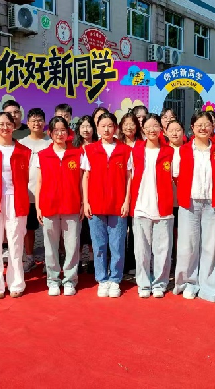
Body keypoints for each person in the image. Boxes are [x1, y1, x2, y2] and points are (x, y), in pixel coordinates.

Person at [173, 112, 215, 302]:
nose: (203, 128)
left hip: (213, 202)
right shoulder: (183, 150)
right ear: (192, 127)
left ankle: (209, 286)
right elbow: (176, 176)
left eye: (207, 124)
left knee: (212, 245)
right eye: (199, 125)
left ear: (213, 127)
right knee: (188, 245)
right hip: (190, 202)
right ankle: (188, 282)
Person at [0, 112, 31, 299]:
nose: (5, 127)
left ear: (14, 126)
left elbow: (26, 178)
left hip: (16, 200)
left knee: (16, 242)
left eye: (8, 124)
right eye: (1, 124)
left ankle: (16, 282)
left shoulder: (24, 151)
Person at [82, 112, 132, 298]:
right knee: (99, 245)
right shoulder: (90, 150)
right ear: (97, 128)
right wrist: (86, 202)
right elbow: (85, 177)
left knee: (117, 245)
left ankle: (115, 279)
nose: (106, 129)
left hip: (118, 206)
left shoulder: (125, 150)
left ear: (115, 128)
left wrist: (126, 201)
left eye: (110, 125)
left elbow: (129, 177)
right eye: (103, 126)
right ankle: (102, 279)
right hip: (96, 205)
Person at [35, 116, 83, 296]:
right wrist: (38, 207)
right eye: (56, 130)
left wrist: (83, 203)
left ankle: (70, 280)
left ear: (68, 132)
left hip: (72, 206)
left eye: (63, 130)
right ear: (50, 133)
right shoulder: (43, 155)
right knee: (50, 246)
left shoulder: (77, 154)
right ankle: (53, 280)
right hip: (49, 206)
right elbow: (39, 183)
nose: (60, 134)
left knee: (72, 246)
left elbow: (81, 181)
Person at [130, 114, 175, 298]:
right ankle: (143, 283)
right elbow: (129, 177)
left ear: (161, 129)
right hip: (141, 206)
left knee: (162, 249)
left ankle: (159, 283)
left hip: (163, 207)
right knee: (141, 250)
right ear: (142, 129)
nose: (152, 129)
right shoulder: (136, 150)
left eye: (155, 125)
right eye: (148, 126)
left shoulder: (169, 152)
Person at [18, 108, 51, 273]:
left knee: (48, 229)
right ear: (28, 123)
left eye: (40, 120)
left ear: (44, 123)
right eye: (33, 120)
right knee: (28, 228)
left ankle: (49, 260)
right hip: (27, 193)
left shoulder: (50, 142)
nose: (37, 123)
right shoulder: (21, 143)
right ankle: (29, 257)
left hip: (47, 194)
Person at [117, 112, 143, 275]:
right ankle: (120, 262)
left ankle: (133, 262)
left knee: (135, 229)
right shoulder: (117, 144)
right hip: (121, 190)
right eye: (125, 124)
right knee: (120, 229)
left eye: (132, 123)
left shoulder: (142, 144)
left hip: (139, 190)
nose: (129, 127)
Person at [73, 115, 97, 274]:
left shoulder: (97, 147)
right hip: (75, 192)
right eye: (83, 126)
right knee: (78, 230)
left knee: (91, 228)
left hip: (92, 192)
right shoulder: (73, 148)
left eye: (88, 126)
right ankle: (79, 260)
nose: (86, 130)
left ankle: (93, 260)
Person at [166, 119, 185, 252]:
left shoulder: (189, 149)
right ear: (165, 132)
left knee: (181, 230)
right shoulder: (163, 150)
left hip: (184, 198)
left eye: (177, 130)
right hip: (168, 197)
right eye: (171, 130)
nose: (174, 133)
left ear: (183, 131)